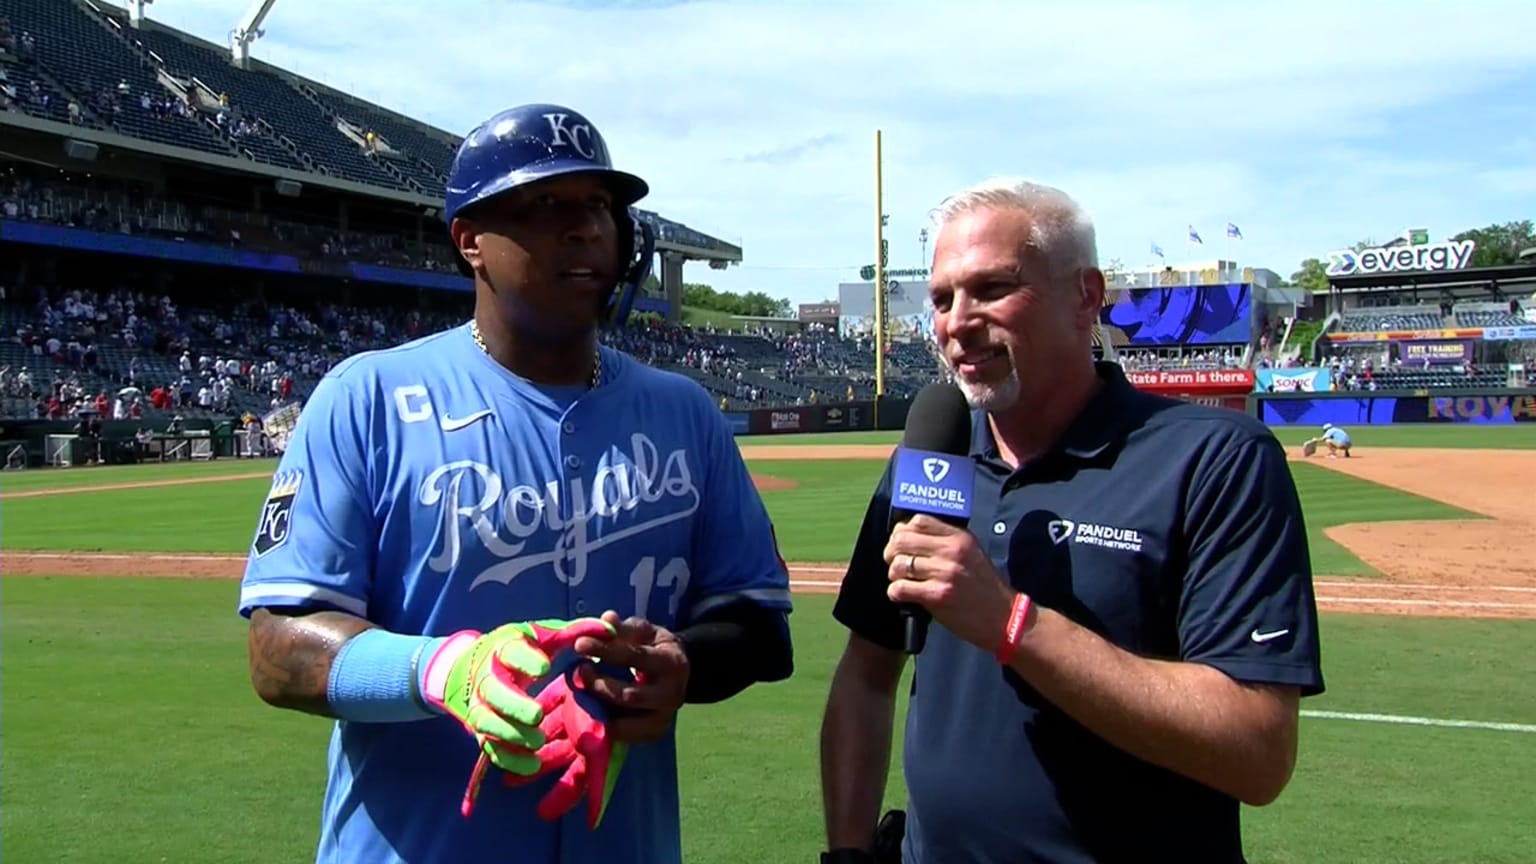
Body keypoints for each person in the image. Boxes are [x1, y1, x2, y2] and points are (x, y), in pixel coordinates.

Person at [237, 103, 795, 864]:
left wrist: (682, 666)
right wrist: (441, 671)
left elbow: (756, 622)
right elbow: (276, 650)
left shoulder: (684, 412)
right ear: (470, 240)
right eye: (545, 206)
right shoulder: (365, 398)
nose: (586, 228)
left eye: (598, 205)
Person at [818, 178, 1324, 864]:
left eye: (992, 289)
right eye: (942, 298)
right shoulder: (932, 457)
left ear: (1086, 295)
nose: (956, 322)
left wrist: (1011, 624)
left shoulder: (1215, 460)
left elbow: (1258, 752)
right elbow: (866, 674)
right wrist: (848, 852)